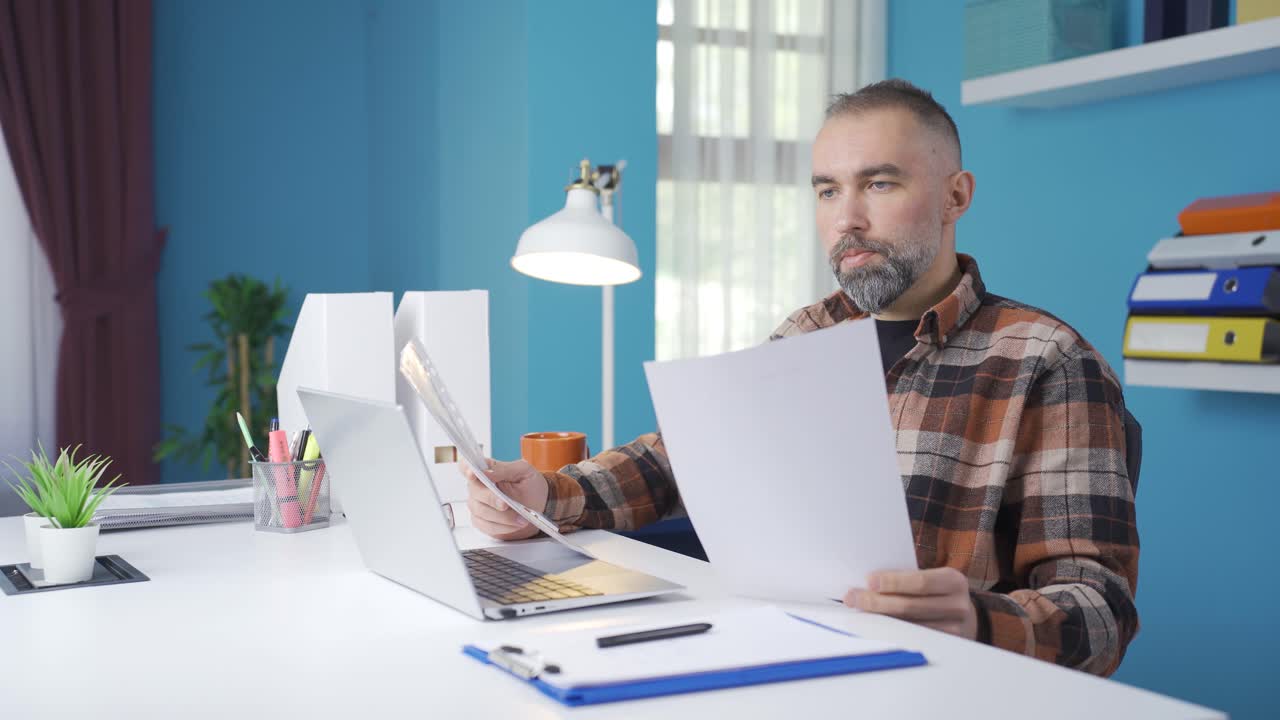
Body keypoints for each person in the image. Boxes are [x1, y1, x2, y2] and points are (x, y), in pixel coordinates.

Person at [463, 79, 1139, 677]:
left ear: (954, 196)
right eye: (827, 190)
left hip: (939, 688)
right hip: (782, 662)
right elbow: (681, 464)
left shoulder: (1046, 360)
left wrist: (978, 620)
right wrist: (545, 496)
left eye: (879, 184)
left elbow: (1100, 609)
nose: (846, 219)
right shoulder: (807, 333)